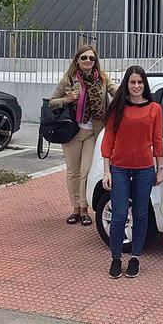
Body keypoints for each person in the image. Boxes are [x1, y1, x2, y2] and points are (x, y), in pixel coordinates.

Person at [100, 66, 163, 279]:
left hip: (144, 169)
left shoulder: (155, 108)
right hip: (119, 168)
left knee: (140, 214)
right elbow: (108, 139)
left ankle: (135, 257)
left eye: (140, 82)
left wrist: (160, 168)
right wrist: (106, 170)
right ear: (126, 84)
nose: (136, 86)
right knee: (118, 215)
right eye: (132, 82)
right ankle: (116, 258)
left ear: (144, 84)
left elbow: (157, 140)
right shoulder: (118, 108)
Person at [49, 45, 118, 226]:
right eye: (84, 58)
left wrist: (135, 93)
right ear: (77, 60)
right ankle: (75, 209)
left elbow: (116, 93)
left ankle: (85, 209)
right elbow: (51, 103)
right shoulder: (68, 80)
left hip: (93, 132)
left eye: (91, 58)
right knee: (73, 172)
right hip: (72, 132)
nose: (88, 61)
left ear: (96, 61)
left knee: (85, 172)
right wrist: (68, 99)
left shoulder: (103, 78)